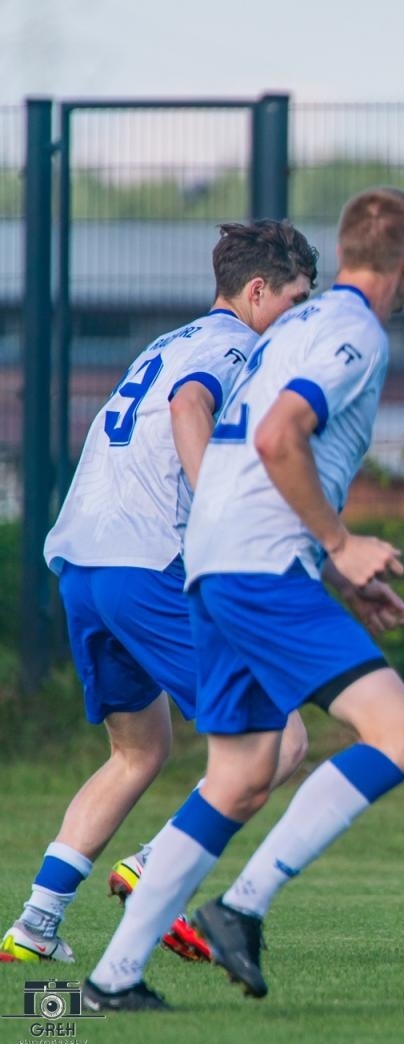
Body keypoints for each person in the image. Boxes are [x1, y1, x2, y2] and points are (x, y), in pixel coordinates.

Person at [82, 187, 404, 1011]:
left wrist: (341, 570)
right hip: (258, 564)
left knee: (237, 778)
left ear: (346, 253)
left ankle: (108, 979)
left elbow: (252, 449)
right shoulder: (351, 330)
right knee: (402, 734)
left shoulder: (292, 326)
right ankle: (241, 906)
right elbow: (279, 437)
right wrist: (341, 543)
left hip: (210, 556)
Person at [1, 222, 319, 967]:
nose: (304, 315)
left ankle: (35, 923)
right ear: (257, 291)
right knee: (285, 736)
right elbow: (187, 409)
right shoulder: (236, 347)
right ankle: (154, 862)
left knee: (139, 749)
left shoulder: (170, 340)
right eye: (299, 299)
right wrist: (223, 514)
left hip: (83, 565)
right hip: (148, 565)